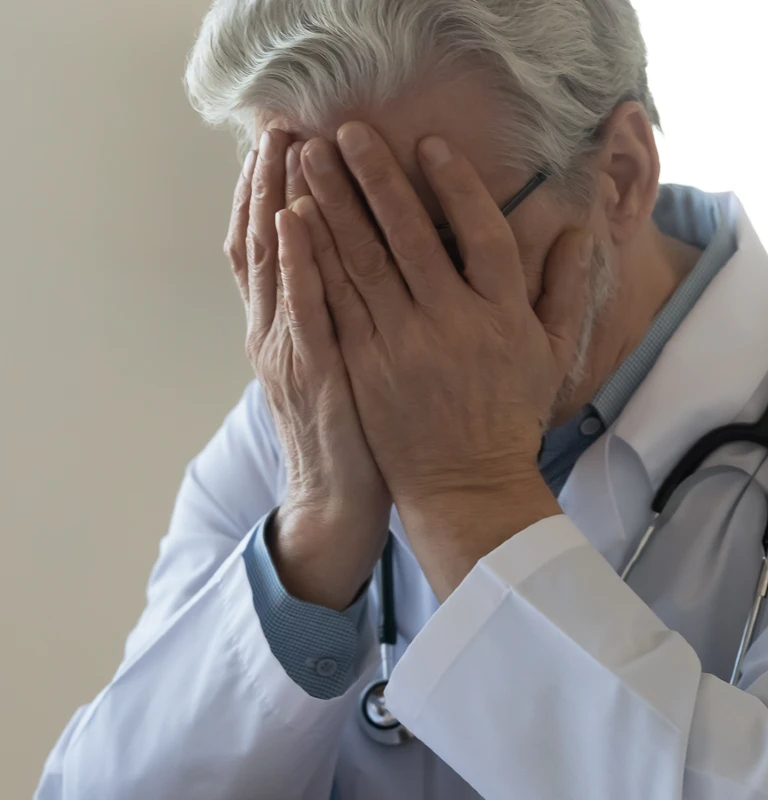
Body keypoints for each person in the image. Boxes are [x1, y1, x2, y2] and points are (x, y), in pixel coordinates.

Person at [35, 0, 768, 798]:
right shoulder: (289, 434)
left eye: (428, 246)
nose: (370, 318)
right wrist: (311, 540)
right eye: (315, 239)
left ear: (619, 179)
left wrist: (473, 497)